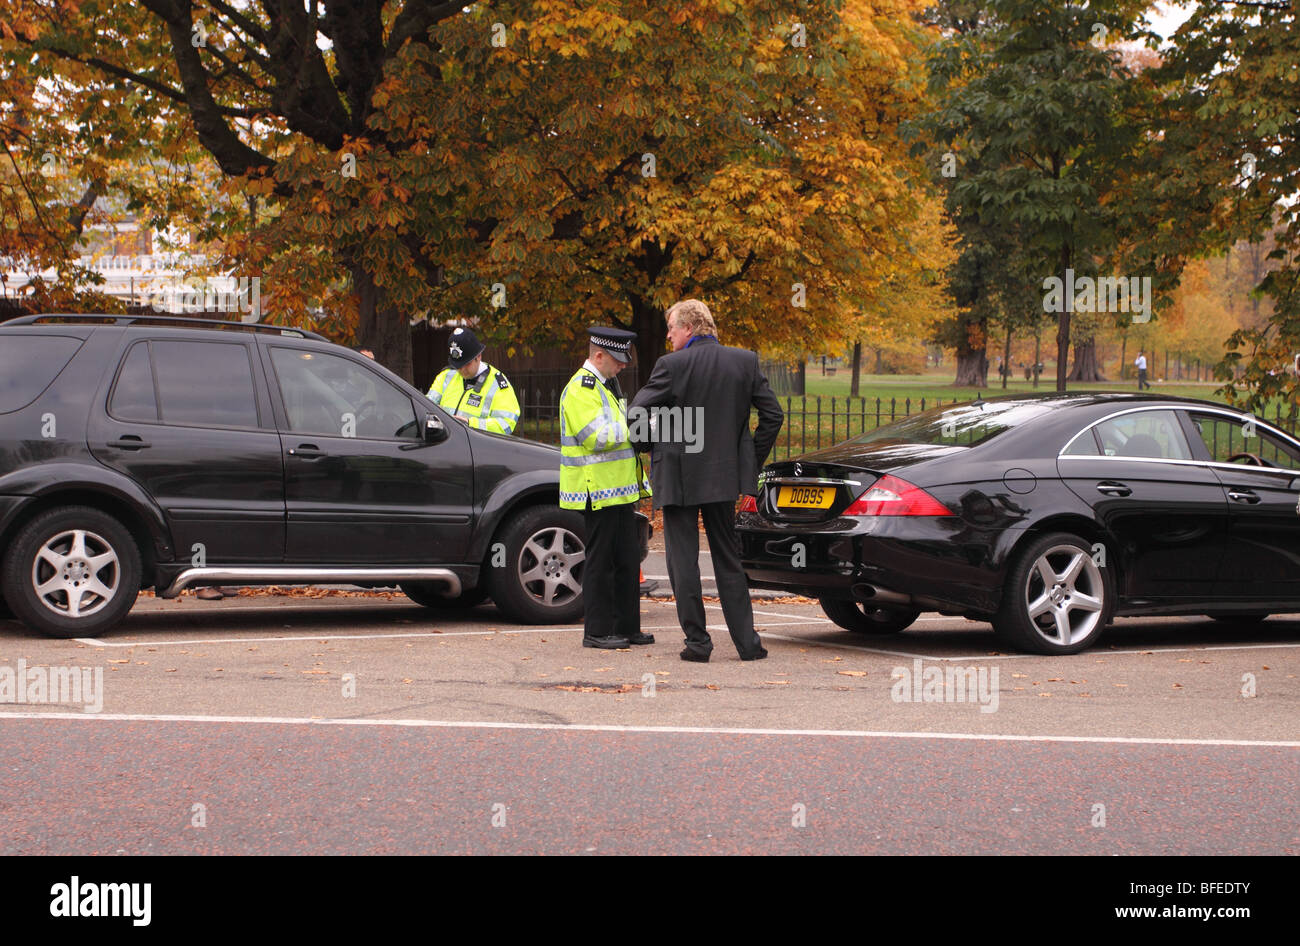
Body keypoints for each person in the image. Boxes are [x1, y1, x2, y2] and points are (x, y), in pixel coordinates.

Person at [630, 299, 783, 662]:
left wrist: (653, 444)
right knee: (728, 559)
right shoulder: (745, 361)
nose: (667, 336)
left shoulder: (671, 365)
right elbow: (773, 416)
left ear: (688, 328)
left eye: (671, 328)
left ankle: (698, 643)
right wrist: (747, 459)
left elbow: (637, 412)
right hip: (724, 475)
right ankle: (748, 644)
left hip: (679, 476)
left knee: (682, 561)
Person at [560, 326, 653, 650]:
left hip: (617, 490)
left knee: (627, 558)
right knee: (601, 560)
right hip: (596, 489)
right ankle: (597, 631)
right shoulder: (581, 388)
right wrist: (637, 424)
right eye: (617, 360)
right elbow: (595, 437)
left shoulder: (606, 386)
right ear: (598, 356)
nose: (623, 365)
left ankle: (627, 626)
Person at [426, 326, 521, 435]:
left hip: (478, 448)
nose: (462, 369)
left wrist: (470, 424)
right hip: (446, 445)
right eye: (458, 365)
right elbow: (425, 408)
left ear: (479, 356)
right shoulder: (445, 376)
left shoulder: (498, 384)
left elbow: (507, 423)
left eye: (466, 364)